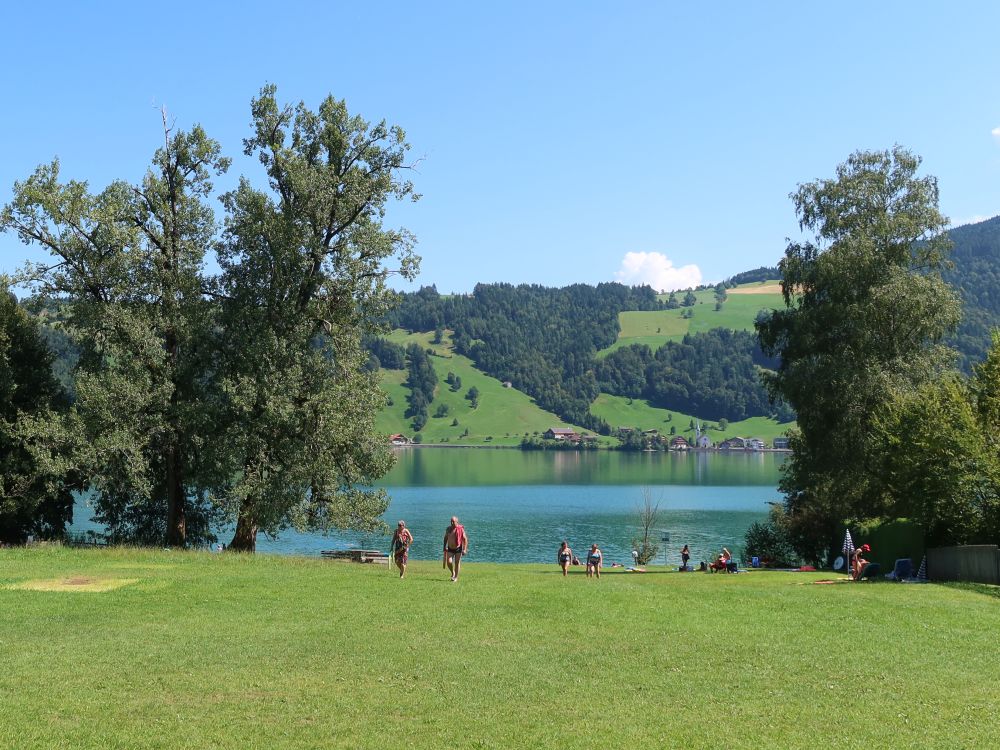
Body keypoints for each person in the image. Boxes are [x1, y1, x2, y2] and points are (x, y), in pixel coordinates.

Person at [442, 516, 468, 582]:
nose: (452, 523)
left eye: (453, 521)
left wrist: (464, 549)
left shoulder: (460, 529)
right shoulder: (448, 529)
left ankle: (456, 577)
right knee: (449, 562)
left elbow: (465, 539)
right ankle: (453, 572)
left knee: (457, 562)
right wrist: (444, 547)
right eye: (451, 521)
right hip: (450, 548)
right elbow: (445, 538)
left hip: (458, 548)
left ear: (457, 522)